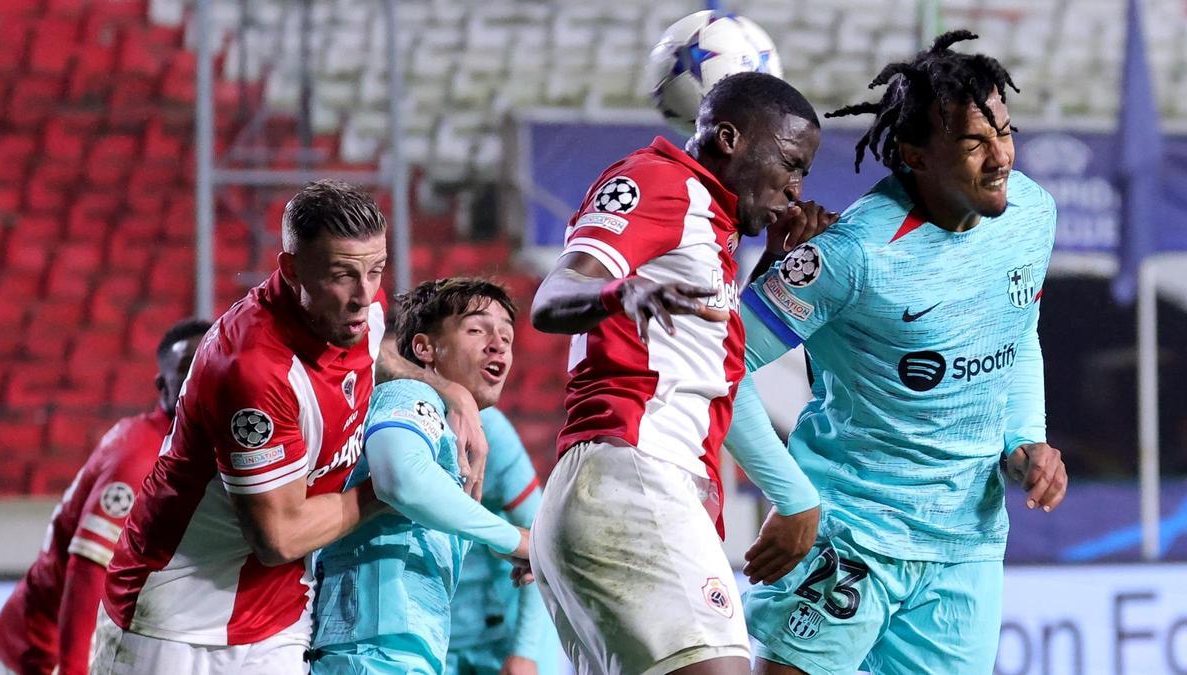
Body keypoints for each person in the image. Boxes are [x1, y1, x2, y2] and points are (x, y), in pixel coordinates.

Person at [734, 31, 1069, 675]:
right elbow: (720, 366)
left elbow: (1017, 327)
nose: (1001, 155)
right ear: (915, 153)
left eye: (1005, 131)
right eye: (975, 141)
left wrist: (1025, 438)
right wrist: (793, 496)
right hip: (850, 535)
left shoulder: (1033, 214)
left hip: (966, 545)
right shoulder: (852, 254)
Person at [93, 181, 483, 674]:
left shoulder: (354, 314)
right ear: (292, 268)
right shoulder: (254, 369)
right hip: (174, 625)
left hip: (280, 622)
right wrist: (399, 487)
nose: (363, 296)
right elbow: (278, 536)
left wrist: (450, 391)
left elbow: (376, 351)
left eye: (376, 270)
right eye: (343, 275)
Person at [527, 71, 837, 675]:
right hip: (632, 480)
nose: (796, 190)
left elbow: (711, 356)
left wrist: (772, 265)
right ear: (729, 138)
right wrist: (618, 294)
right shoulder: (661, 183)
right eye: (791, 165)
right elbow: (555, 293)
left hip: (623, 488)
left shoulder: (712, 224)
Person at [310, 278, 530, 674]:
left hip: (390, 654)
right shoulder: (411, 395)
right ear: (424, 349)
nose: (497, 343)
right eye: (477, 329)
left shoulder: (454, 427)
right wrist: (511, 538)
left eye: (507, 336)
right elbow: (399, 478)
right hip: (370, 654)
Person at [0, 319, 209, 675]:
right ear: (161, 385)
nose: (199, 378)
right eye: (186, 368)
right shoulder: (140, 458)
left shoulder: (189, 449)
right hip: (43, 655)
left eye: (208, 363)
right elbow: (88, 571)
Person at [445, 406, 560, 675]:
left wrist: (525, 651)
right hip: (435, 636)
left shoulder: (488, 427)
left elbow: (539, 546)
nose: (499, 360)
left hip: (505, 638)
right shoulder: (399, 414)